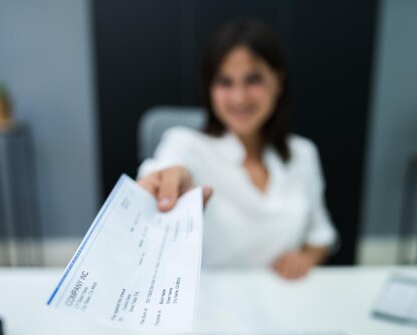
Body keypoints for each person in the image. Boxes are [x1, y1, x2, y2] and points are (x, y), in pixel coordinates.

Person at [138, 19, 337, 279]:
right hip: (210, 307)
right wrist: (165, 181)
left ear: (278, 81)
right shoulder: (185, 144)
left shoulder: (303, 154)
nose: (239, 97)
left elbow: (321, 236)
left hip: (284, 300)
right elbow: (167, 169)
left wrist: (307, 258)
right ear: (210, 89)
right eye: (225, 82)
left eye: (253, 79)